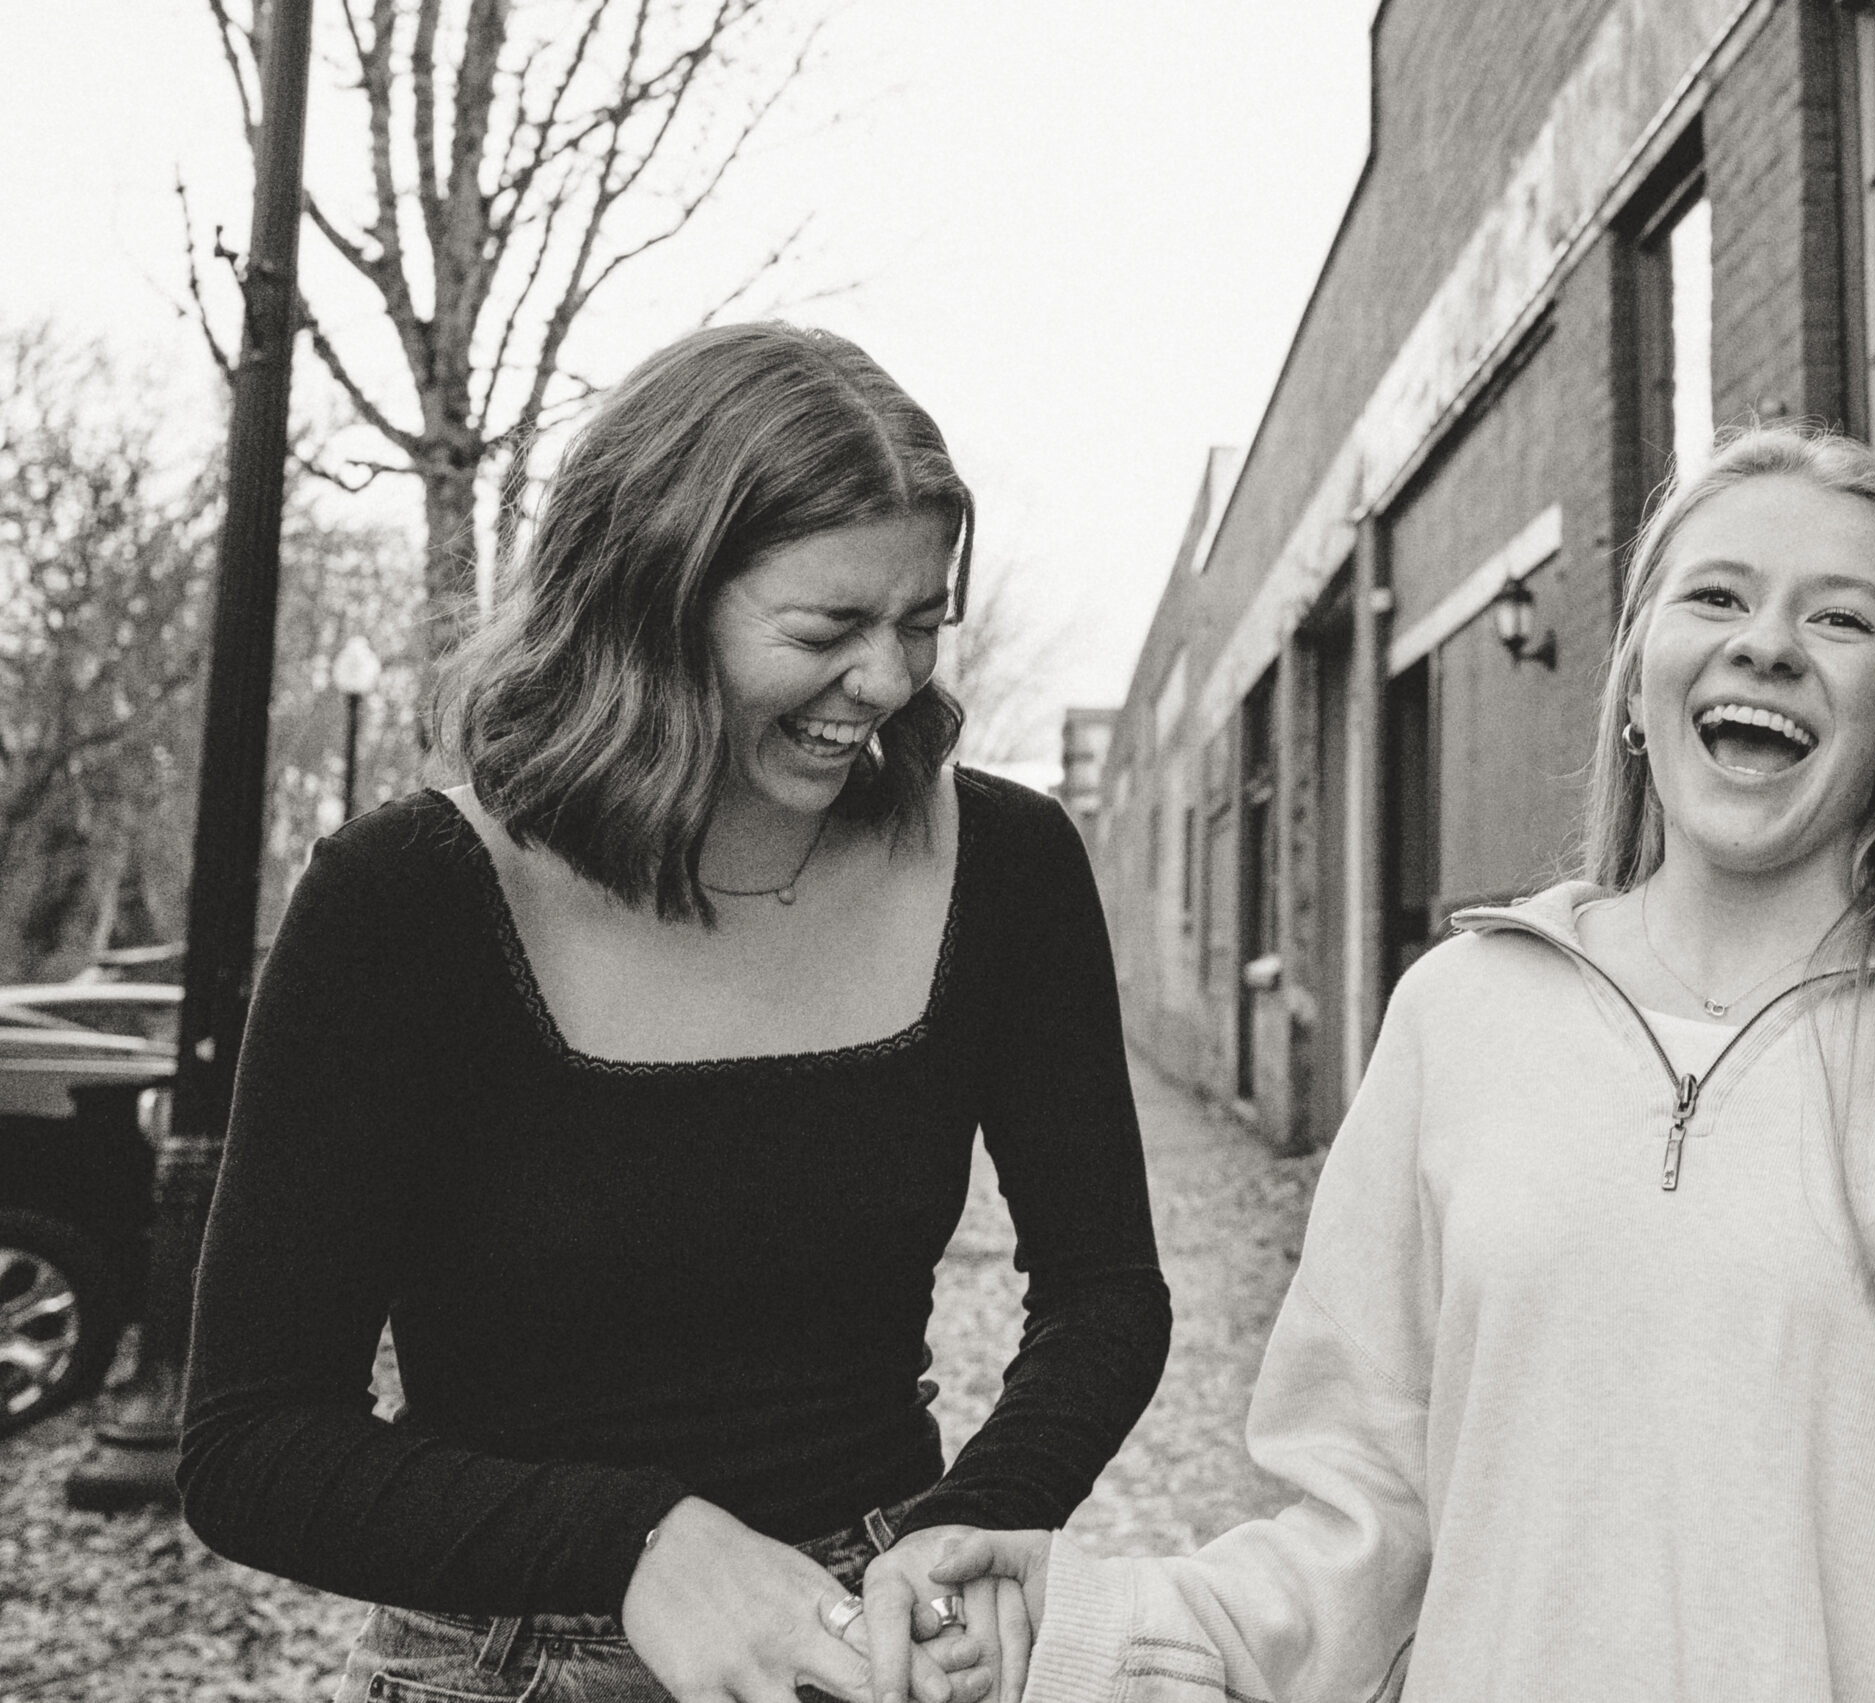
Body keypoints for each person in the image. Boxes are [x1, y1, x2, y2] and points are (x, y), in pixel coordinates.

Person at [863, 424, 1875, 1703]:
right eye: (1717, 597)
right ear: (1635, 677)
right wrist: (1081, 1631)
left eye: (1840, 619)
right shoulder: (1462, 1014)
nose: (1767, 645)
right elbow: (1367, 1527)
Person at [179, 322, 1172, 1703]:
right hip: (510, 1660)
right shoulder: (404, 901)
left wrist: (988, 1506)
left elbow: (1106, 1291)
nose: (889, 683)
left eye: (921, 624)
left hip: (879, 1644)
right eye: (827, 631)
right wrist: (637, 1544)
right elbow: (252, 1444)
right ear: (652, 600)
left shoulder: (1007, 866)